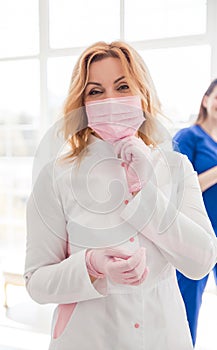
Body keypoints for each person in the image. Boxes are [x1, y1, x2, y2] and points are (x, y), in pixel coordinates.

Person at [24, 41, 217, 350]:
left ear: (143, 94)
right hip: (87, 339)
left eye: (123, 86)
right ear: (82, 105)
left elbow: (201, 261)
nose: (111, 100)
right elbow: (36, 283)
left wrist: (147, 192)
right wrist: (91, 265)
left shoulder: (176, 167)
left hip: (163, 336)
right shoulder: (56, 177)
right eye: (96, 92)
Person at [173, 78, 217, 347]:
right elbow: (177, 190)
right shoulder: (188, 137)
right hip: (197, 237)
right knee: (188, 308)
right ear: (206, 99)